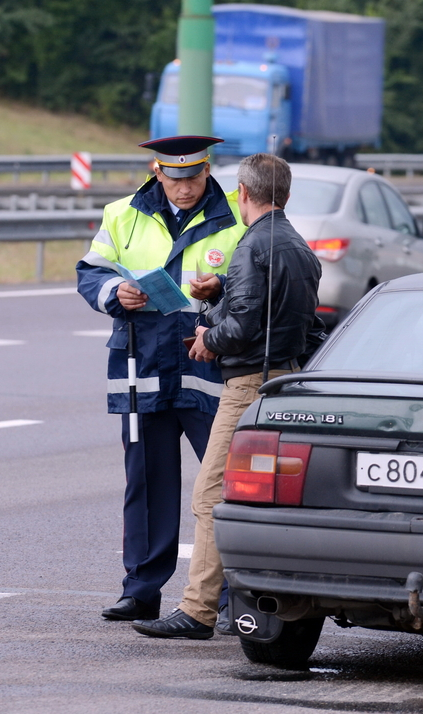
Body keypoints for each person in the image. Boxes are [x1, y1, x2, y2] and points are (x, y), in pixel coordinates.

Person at [133, 152, 324, 639]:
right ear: (286, 194)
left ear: (242, 192)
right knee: (258, 499)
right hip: (286, 380)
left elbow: (244, 325)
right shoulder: (297, 246)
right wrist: (220, 291)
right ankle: (246, 601)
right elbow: (286, 320)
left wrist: (206, 338)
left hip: (246, 386)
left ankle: (198, 610)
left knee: (211, 495)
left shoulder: (253, 245)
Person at [77, 135, 245, 622]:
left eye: (193, 178)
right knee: (146, 483)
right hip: (142, 364)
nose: (185, 189)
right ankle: (141, 589)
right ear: (156, 172)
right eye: (175, 179)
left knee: (225, 487)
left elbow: (257, 280)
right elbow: (91, 271)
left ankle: (235, 594)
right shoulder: (122, 213)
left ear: (207, 171)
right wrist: (115, 291)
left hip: (207, 366)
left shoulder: (235, 215)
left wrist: (222, 287)